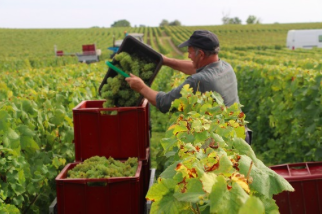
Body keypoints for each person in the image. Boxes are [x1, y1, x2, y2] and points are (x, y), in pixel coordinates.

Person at [125, 30, 240, 113]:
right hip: (238, 134)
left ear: (201, 54)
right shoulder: (226, 67)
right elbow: (195, 67)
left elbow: (165, 103)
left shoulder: (198, 80)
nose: (188, 56)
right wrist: (165, 61)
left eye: (190, 53)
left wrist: (141, 87)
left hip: (221, 144)